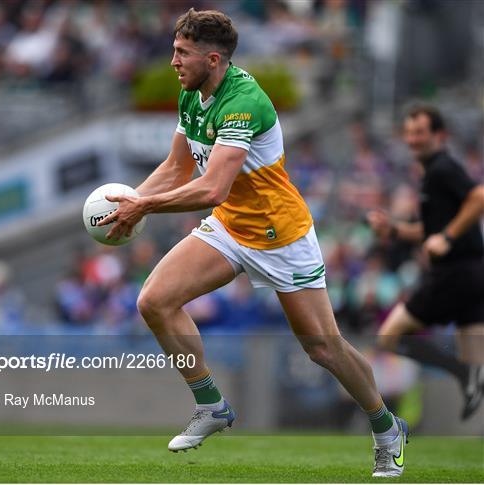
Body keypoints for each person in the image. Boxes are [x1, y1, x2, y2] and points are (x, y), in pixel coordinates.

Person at [98, 8, 407, 478]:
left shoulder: (244, 100)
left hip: (281, 236)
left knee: (323, 349)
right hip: (230, 227)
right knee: (155, 301)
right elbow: (176, 169)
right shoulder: (192, 95)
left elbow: (210, 188)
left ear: (214, 58)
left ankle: (386, 428)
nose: (174, 62)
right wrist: (130, 200)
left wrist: (143, 209)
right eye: (174, 51)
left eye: (182, 53)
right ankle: (211, 404)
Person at [368, 105, 484, 420]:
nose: (413, 139)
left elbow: (479, 197)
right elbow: (427, 232)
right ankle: (467, 373)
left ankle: (461, 372)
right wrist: (393, 229)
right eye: (409, 133)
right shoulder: (431, 174)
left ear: (440, 135)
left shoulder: (441, 169)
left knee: (389, 337)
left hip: (455, 273)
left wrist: (447, 236)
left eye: (420, 132)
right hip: (473, 273)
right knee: (478, 373)